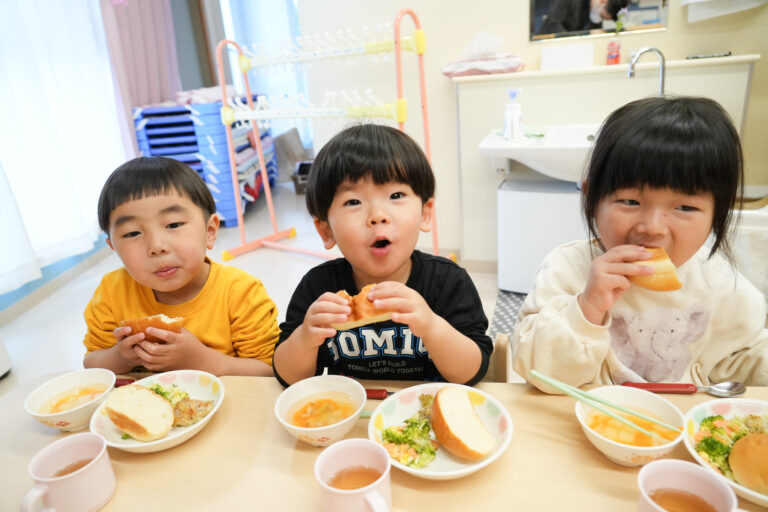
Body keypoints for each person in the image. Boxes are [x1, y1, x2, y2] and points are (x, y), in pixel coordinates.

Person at [513, 96, 768, 393]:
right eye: (630, 201)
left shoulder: (722, 285)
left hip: (680, 425)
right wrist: (587, 308)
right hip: (583, 419)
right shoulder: (568, 269)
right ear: (592, 198)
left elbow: (746, 358)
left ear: (717, 213)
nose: (652, 228)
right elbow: (540, 374)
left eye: (684, 208)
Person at [273, 124, 493, 386]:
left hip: (426, 412)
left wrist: (432, 327)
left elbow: (472, 372)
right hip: (351, 414)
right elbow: (288, 378)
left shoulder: (448, 282)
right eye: (353, 202)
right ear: (326, 230)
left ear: (424, 213)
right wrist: (305, 338)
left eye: (396, 195)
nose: (378, 215)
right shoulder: (319, 288)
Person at [82, 156, 280, 376]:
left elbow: (269, 371)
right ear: (113, 247)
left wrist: (201, 359)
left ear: (210, 231)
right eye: (132, 233)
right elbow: (92, 364)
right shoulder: (113, 291)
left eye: (173, 224)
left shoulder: (241, 292)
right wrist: (121, 357)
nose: (156, 246)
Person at [537, 0, 628, 35]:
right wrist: (587, 34)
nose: (601, 19)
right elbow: (553, 24)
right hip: (546, 45)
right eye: (603, 16)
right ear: (603, 1)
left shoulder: (596, 16)